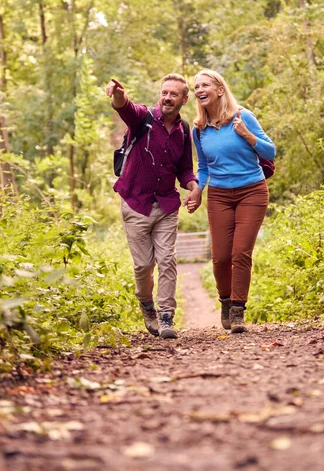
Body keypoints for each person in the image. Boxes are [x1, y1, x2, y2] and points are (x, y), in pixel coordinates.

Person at [105, 74, 201, 339]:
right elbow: (126, 107)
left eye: (174, 94)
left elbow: (184, 170)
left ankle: (167, 316)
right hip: (136, 202)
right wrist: (118, 94)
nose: (167, 97)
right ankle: (147, 306)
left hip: (166, 205)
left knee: (167, 259)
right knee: (144, 266)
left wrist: (193, 187)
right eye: (164, 92)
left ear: (184, 98)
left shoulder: (183, 131)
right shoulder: (143, 119)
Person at [190, 69, 275, 333]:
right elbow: (203, 166)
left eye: (205, 85)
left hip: (252, 191)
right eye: (196, 87)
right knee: (220, 257)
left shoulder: (243, 116)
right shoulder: (199, 129)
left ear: (219, 89)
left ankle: (238, 311)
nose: (199, 90)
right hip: (219, 195)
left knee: (240, 253)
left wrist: (248, 135)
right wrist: (198, 189)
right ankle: (225, 301)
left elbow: (270, 150)